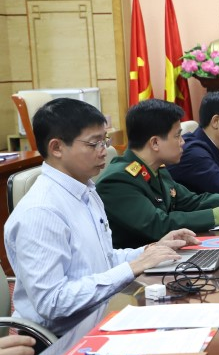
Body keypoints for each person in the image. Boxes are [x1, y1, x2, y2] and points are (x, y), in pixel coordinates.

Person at [3, 98, 197, 336]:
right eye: (94, 143)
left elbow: (103, 260)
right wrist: (133, 267)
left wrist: (151, 250)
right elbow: (53, 302)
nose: (104, 150)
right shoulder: (41, 212)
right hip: (66, 338)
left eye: (104, 141)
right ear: (56, 148)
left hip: (103, 313)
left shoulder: (86, 190)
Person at [97, 99, 219, 249]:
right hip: (139, 272)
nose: (183, 142)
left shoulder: (156, 168)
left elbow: (191, 201)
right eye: (177, 136)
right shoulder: (118, 180)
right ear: (155, 143)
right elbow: (159, 224)